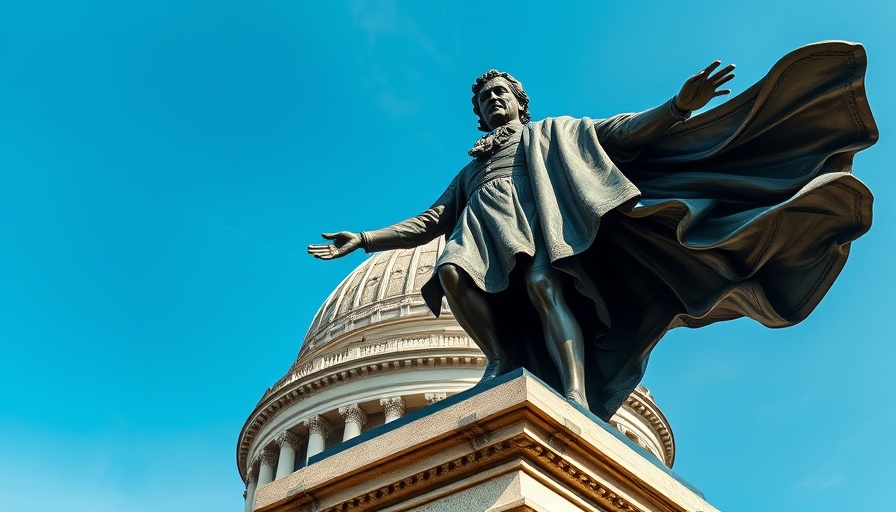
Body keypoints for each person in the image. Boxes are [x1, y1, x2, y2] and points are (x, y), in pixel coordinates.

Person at [309, 41, 876, 421]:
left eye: (499, 93)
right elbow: (430, 223)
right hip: (482, 235)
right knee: (453, 273)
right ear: (479, 116)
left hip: (543, 232)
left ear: (519, 102)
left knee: (545, 285)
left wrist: (678, 107)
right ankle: (504, 361)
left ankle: (575, 396)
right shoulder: (470, 171)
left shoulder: (556, 133)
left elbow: (624, 134)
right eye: (483, 100)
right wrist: (363, 238)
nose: (492, 101)